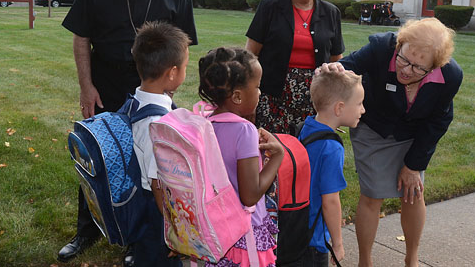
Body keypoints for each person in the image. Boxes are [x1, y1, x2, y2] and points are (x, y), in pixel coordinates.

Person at [59, 0, 198, 264]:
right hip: (106, 83)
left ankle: (142, 240)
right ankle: (87, 230)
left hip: (152, 90)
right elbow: (81, 38)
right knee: (98, 158)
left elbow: (182, 50)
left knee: (153, 167)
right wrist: (86, 86)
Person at [319, 18, 463, 267]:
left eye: (419, 68)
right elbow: (347, 66)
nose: (407, 70)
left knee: (414, 194)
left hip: (413, 133)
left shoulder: (450, 77)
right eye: (404, 59)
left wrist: (413, 165)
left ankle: (412, 258)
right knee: (373, 195)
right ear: (400, 45)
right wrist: (334, 68)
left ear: (435, 66)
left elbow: (438, 122)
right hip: (374, 127)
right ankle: (365, 261)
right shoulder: (380, 48)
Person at [245, 0, 344, 135]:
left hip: (315, 102)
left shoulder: (331, 13)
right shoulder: (270, 7)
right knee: (273, 154)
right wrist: (250, 96)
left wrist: (335, 104)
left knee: (309, 154)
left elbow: (337, 62)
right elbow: (249, 55)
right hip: (273, 98)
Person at [198, 47, 284, 267]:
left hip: (218, 233)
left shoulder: (205, 122)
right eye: (257, 87)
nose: (260, 92)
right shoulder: (244, 130)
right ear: (237, 96)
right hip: (246, 238)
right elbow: (250, 195)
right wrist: (277, 157)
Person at [130, 21, 190, 267]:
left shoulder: (136, 100)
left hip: (143, 210)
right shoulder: (158, 124)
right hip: (155, 216)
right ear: (172, 73)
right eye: (185, 67)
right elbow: (158, 185)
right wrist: (174, 232)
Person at [294, 70, 365, 267]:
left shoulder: (306, 126)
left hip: (295, 227)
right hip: (314, 239)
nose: (363, 110)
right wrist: (338, 243)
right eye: (359, 103)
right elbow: (330, 201)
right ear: (339, 108)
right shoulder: (331, 147)